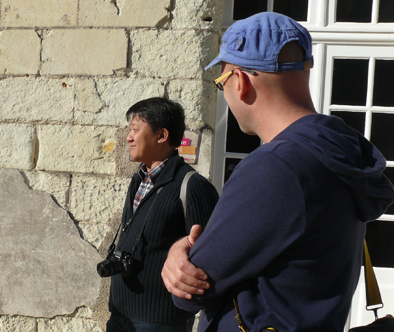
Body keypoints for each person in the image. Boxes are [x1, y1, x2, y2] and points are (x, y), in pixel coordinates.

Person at [160, 12, 394, 332]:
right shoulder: (337, 150)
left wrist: (179, 250)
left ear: (239, 83)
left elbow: (191, 291)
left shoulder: (277, 167)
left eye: (220, 83)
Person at [102, 97, 219, 332]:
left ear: (162, 135)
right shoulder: (139, 180)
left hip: (160, 323)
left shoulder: (192, 187)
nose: (128, 137)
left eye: (135, 130)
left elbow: (210, 260)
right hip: (119, 315)